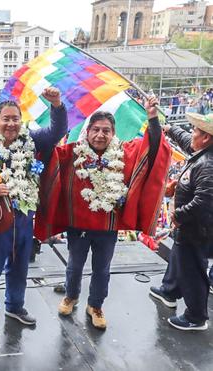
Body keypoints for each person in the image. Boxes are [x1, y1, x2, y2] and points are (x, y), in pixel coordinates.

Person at [36, 96, 171, 329]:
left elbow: (153, 147)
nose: (100, 135)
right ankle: (71, 296)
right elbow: (48, 153)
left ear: (113, 133)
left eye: (106, 131)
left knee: (102, 269)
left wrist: (152, 118)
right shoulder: (72, 153)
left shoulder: (124, 154)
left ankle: (96, 306)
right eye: (96, 130)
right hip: (77, 226)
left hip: (107, 228)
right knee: (74, 266)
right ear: (88, 132)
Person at [0, 87, 67, 337]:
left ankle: (15, 306)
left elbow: (56, 132)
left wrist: (57, 106)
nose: (10, 124)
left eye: (15, 118)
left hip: (24, 217)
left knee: (20, 267)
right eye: (5, 118)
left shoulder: (31, 140)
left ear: (21, 121)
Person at [149, 112, 213, 331]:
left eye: (195, 130)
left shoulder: (208, 164)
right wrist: (169, 129)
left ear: (205, 137)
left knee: (193, 269)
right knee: (179, 256)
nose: (191, 133)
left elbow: (203, 202)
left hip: (197, 229)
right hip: (189, 228)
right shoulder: (203, 152)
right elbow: (186, 140)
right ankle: (170, 290)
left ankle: (196, 316)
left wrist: (177, 215)